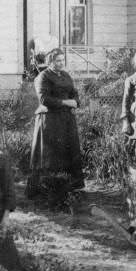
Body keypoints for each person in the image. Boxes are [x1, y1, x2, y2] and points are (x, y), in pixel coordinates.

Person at [27, 49, 84, 198]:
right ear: (50, 61)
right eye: (57, 60)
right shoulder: (43, 77)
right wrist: (66, 102)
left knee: (68, 151)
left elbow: (74, 93)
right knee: (51, 154)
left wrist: (76, 102)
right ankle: (48, 189)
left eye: (62, 60)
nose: (60, 63)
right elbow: (44, 99)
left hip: (66, 119)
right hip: (50, 119)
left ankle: (69, 186)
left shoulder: (66, 75)